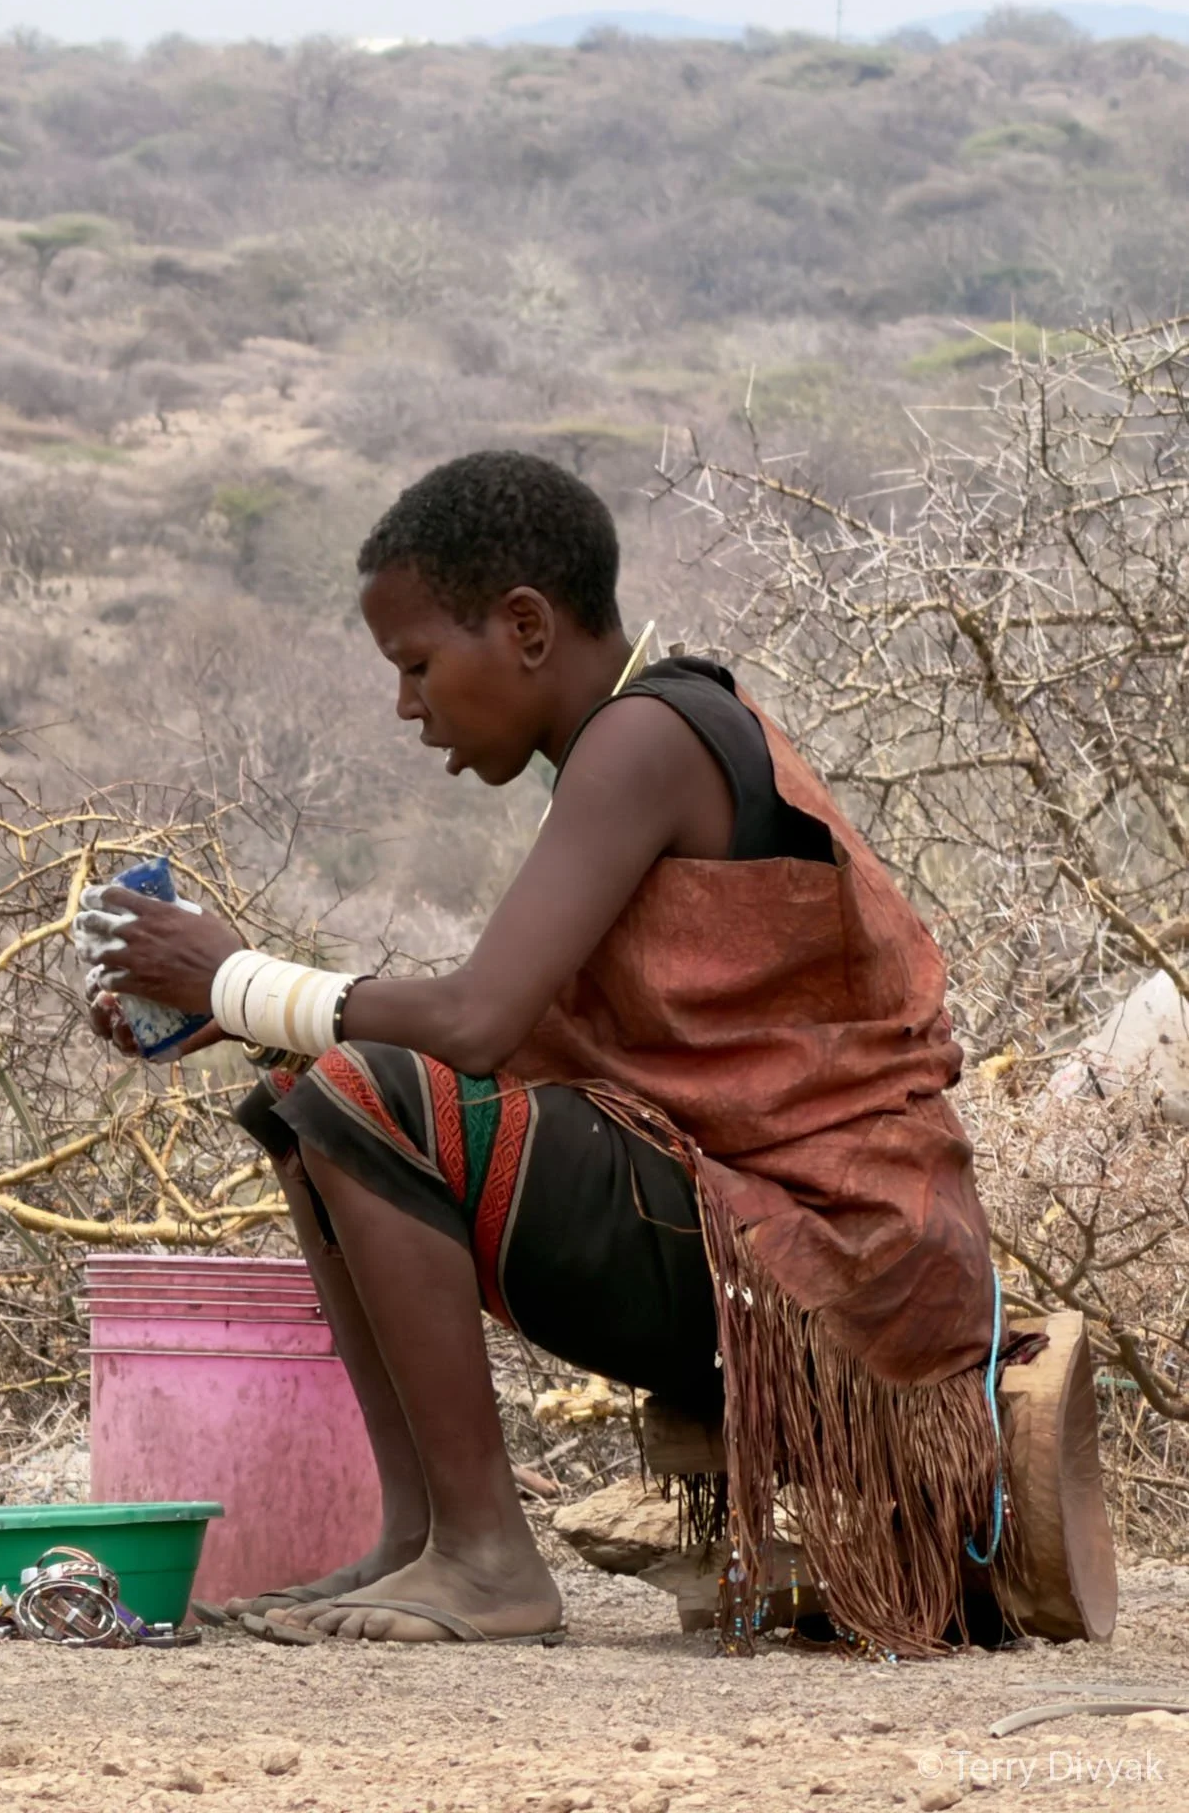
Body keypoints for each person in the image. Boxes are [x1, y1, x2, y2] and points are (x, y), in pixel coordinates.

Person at [75, 450, 1011, 1654]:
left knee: (363, 1092)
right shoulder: (629, 749)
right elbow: (504, 1038)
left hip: (829, 1262)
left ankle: (486, 1558)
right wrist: (233, 1012)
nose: (407, 706)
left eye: (415, 666)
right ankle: (418, 1538)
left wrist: (238, 978)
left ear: (523, 625)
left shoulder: (648, 739)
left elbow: (474, 1024)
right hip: (753, 1234)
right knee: (307, 1096)